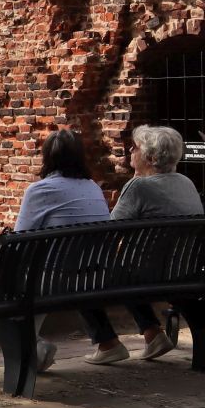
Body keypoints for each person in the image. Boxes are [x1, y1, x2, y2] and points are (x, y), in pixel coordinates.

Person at [80, 125, 199, 363]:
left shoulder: (139, 187)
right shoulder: (185, 182)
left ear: (151, 158)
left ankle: (108, 343)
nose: (130, 151)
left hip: (148, 277)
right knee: (128, 266)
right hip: (184, 273)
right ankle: (152, 335)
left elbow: (109, 233)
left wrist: (133, 183)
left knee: (82, 274)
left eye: (134, 147)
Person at [11, 129, 112, 372]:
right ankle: (35, 349)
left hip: (55, 280)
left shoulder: (40, 190)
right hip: (94, 277)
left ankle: (35, 350)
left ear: (47, 157)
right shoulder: (93, 188)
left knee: (17, 284)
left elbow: (18, 242)